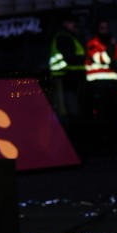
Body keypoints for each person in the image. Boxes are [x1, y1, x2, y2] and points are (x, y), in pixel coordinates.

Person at [85, 19, 117, 154]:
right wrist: (112, 57)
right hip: (98, 85)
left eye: (106, 27)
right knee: (101, 116)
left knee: (115, 115)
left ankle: (114, 144)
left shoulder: (113, 43)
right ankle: (102, 146)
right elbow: (100, 58)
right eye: (101, 27)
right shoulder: (93, 43)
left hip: (113, 85)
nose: (104, 30)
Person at [47, 14, 87, 144]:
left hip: (69, 79)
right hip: (64, 80)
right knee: (68, 111)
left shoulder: (68, 37)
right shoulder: (64, 37)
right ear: (66, 23)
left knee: (70, 110)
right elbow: (69, 58)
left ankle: (70, 141)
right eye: (72, 23)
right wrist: (85, 58)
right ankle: (69, 142)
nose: (75, 26)